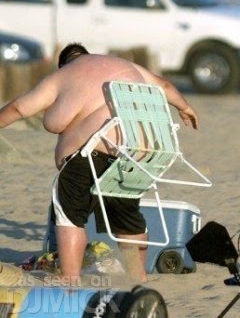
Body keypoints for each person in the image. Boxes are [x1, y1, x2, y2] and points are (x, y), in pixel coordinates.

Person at [0, 43, 200, 284]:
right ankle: (137, 277)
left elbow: (20, 108)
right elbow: (165, 85)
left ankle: (70, 279)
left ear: (64, 63)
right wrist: (185, 107)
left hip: (91, 157)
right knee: (127, 218)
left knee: (70, 215)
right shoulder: (126, 65)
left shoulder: (65, 75)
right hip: (136, 157)